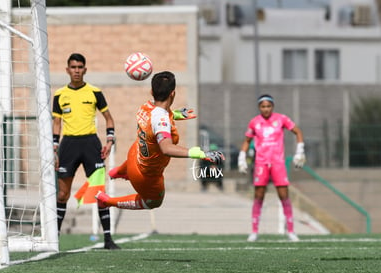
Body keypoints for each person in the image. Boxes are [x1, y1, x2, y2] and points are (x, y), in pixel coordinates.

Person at [96, 71, 224, 210]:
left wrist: (176, 114)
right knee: (154, 202)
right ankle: (107, 201)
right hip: (145, 176)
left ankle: (118, 172)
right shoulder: (161, 119)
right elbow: (166, 148)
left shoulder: (146, 106)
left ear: (152, 91)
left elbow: (158, 116)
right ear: (173, 93)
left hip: (133, 157)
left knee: (146, 141)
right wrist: (200, 154)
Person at [52, 53, 120, 249]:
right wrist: (54, 148)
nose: (76, 70)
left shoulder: (94, 92)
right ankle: (55, 239)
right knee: (63, 194)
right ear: (67, 70)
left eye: (80, 67)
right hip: (68, 145)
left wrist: (109, 141)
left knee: (100, 192)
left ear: (85, 70)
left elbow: (109, 118)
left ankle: (108, 239)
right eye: (73, 67)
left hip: (91, 144)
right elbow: (57, 123)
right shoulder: (60, 95)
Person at [238, 94, 305, 242]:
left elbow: (297, 132)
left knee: (284, 195)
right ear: (259, 107)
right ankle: (254, 231)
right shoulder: (254, 122)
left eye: (268, 106)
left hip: (277, 162)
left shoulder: (281, 119)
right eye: (263, 106)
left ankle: (291, 231)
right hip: (261, 163)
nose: (266, 109)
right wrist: (242, 158)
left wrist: (300, 150)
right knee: (259, 196)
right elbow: (247, 140)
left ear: (272, 107)